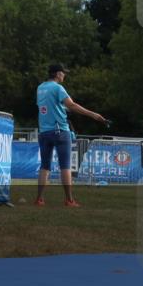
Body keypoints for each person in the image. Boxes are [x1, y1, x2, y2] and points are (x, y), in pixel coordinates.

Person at [34, 63, 108, 207]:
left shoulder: (40, 88)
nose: (64, 75)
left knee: (45, 166)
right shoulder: (58, 88)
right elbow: (71, 105)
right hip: (60, 131)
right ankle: (69, 200)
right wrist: (93, 115)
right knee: (65, 166)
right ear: (58, 74)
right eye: (63, 73)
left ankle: (39, 199)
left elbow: (48, 107)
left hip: (44, 132)